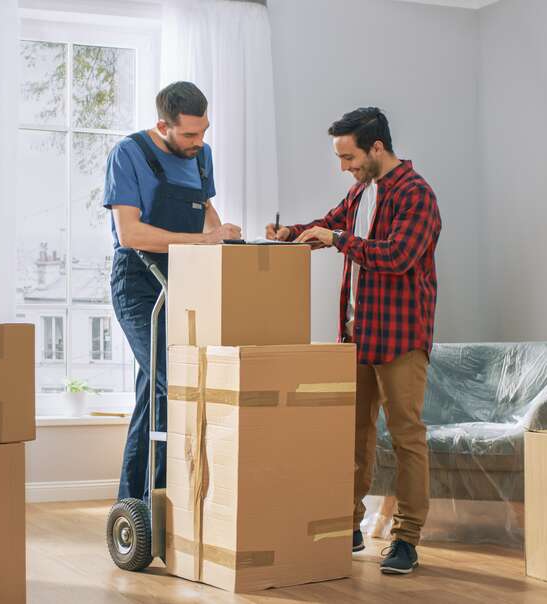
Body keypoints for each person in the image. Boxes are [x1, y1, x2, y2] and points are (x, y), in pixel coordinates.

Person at [267, 107, 441, 575]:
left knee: (406, 437)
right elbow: (330, 224)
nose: (344, 167)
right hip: (357, 337)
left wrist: (339, 237)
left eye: (348, 157)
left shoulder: (416, 195)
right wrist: (293, 233)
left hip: (401, 338)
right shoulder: (361, 192)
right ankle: (348, 526)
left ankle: (406, 538)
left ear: (376, 148)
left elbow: (398, 256)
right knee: (353, 436)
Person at [103, 81, 241, 502]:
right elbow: (130, 233)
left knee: (155, 391)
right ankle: (173, 495)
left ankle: (141, 503)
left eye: (204, 132)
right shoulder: (128, 154)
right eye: (189, 135)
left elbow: (205, 213)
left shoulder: (203, 155)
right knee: (175, 379)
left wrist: (227, 238)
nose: (199, 142)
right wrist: (204, 241)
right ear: (163, 125)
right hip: (138, 282)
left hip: (184, 278)